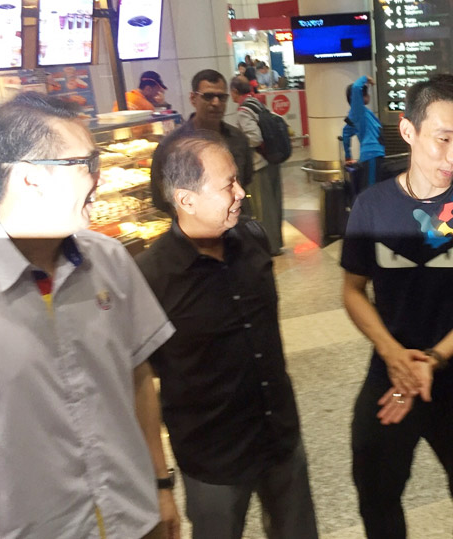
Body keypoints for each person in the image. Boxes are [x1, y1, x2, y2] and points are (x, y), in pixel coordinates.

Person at [0, 92, 180, 538]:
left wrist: (160, 485)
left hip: (133, 518)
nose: (100, 175)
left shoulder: (110, 259)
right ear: (30, 178)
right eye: (86, 163)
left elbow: (137, 377)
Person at [341, 73, 453, 539]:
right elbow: (352, 290)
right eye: (442, 139)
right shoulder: (372, 206)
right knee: (376, 495)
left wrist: (435, 359)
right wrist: (393, 354)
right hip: (391, 373)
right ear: (407, 131)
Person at [138, 131, 318, 539]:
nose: (241, 192)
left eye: (238, 180)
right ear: (185, 199)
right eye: (228, 185)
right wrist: (160, 483)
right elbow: (139, 387)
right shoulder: (150, 277)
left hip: (279, 438)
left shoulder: (252, 239)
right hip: (213, 461)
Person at [151, 69, 254, 215]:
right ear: (193, 98)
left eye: (222, 97)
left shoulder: (237, 139)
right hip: (193, 233)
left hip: (236, 227)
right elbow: (161, 199)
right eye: (208, 96)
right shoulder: (171, 146)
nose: (216, 103)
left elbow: (246, 179)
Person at [230, 75, 284, 254]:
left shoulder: (243, 110)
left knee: (264, 207)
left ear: (235, 91)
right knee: (274, 204)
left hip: (259, 164)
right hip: (272, 159)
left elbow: (254, 137)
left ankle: (271, 246)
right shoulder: (257, 103)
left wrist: (239, 142)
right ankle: (277, 241)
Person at [342, 75, 385, 195]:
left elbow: (345, 134)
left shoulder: (358, 115)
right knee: (371, 191)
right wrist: (366, 78)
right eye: (366, 94)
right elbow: (356, 87)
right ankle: (368, 213)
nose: (369, 96)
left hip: (374, 155)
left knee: (373, 187)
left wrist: (348, 156)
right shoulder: (358, 111)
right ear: (361, 97)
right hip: (372, 154)